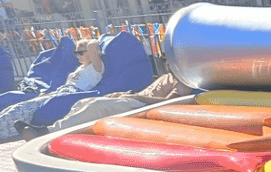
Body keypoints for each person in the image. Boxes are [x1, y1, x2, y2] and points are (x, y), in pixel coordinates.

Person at [16, 69, 194, 139]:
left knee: (97, 106)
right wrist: (125, 94)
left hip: (143, 106)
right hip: (136, 99)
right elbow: (145, 93)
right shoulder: (166, 75)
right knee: (84, 102)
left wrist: (136, 97)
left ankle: (46, 133)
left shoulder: (184, 79)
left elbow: (171, 102)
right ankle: (55, 130)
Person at [0, 38, 103, 140]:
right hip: (61, 92)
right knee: (18, 106)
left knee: (21, 110)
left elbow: (92, 46)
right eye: (76, 52)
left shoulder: (95, 68)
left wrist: (93, 43)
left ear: (91, 52)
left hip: (72, 93)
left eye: (81, 52)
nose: (77, 55)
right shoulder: (80, 68)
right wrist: (48, 94)